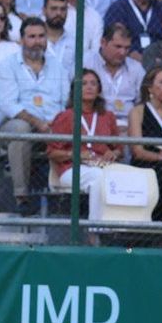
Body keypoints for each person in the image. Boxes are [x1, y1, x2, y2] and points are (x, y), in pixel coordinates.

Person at [0, 18, 67, 212]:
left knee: (69, 128)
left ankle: (64, 196)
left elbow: (64, 101)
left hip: (51, 124)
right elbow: (7, 104)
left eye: (41, 36)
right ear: (22, 40)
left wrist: (53, 122)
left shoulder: (57, 66)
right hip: (16, 123)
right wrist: (38, 122)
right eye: (32, 37)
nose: (37, 41)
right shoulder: (8, 65)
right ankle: (21, 196)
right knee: (21, 130)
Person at [46, 69, 120, 239]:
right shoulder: (65, 116)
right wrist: (75, 155)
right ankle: (96, 232)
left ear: (99, 89)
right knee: (98, 178)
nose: (89, 87)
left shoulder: (107, 116)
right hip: (71, 170)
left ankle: (119, 230)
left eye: (93, 83)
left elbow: (119, 148)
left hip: (103, 167)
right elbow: (52, 152)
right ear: (74, 90)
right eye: (84, 84)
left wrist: (112, 152)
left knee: (106, 177)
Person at [129, 65, 162, 222]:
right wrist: (160, 157)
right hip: (148, 164)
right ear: (150, 87)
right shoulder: (138, 112)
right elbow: (137, 150)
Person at [91, 24, 143, 132]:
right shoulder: (86, 64)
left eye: (127, 48)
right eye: (118, 47)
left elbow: (143, 103)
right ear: (103, 42)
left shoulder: (136, 69)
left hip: (130, 129)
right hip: (96, 126)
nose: (122, 52)